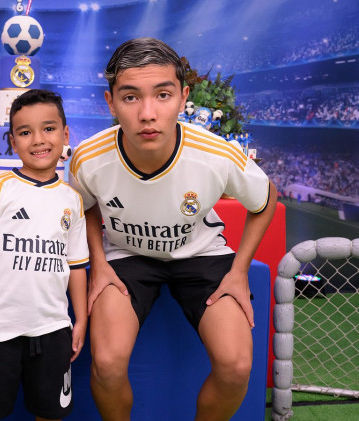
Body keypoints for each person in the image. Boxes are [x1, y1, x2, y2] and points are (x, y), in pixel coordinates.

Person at [68, 38, 278, 421]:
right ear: (110, 102)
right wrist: (98, 262)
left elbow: (265, 200)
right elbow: (84, 205)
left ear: (183, 98)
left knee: (236, 366)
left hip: (202, 254)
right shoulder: (89, 158)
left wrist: (239, 271)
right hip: (127, 256)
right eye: (130, 97)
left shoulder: (217, 155)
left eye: (162, 95)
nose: (147, 114)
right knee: (107, 364)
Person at [0, 89, 89, 421]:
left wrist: (80, 319)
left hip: (53, 329)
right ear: (12, 142)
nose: (38, 140)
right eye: (25, 132)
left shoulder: (72, 200)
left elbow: (76, 265)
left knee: (51, 413)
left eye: (48, 128)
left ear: (65, 134)